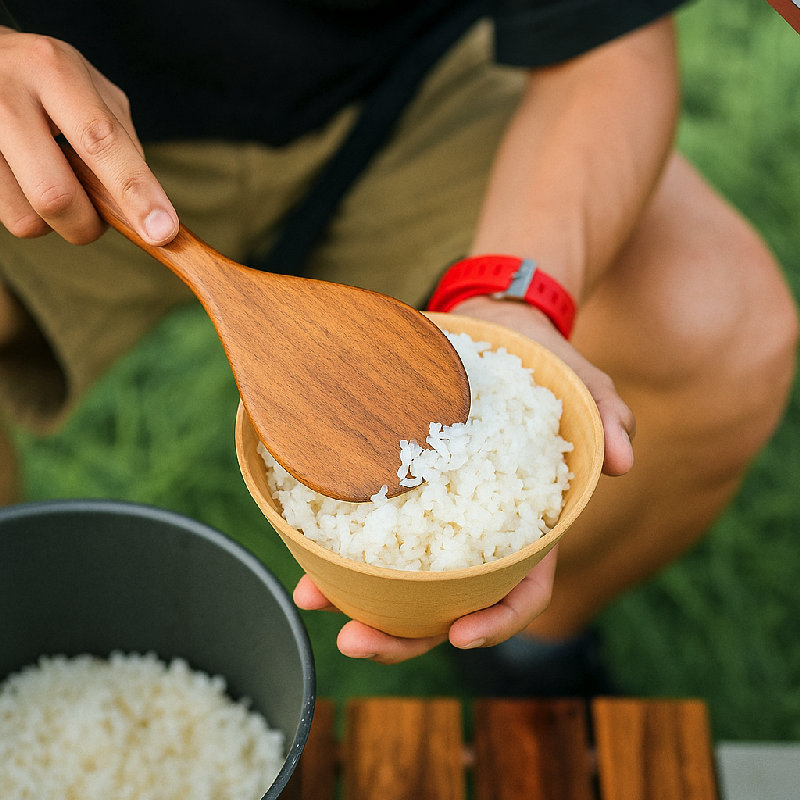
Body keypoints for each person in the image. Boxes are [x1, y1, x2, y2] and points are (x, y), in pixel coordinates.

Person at [0, 2, 796, 690]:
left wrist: (510, 297)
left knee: (714, 320)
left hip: (412, 84)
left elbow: (606, 36)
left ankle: (529, 653)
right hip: (55, 112)